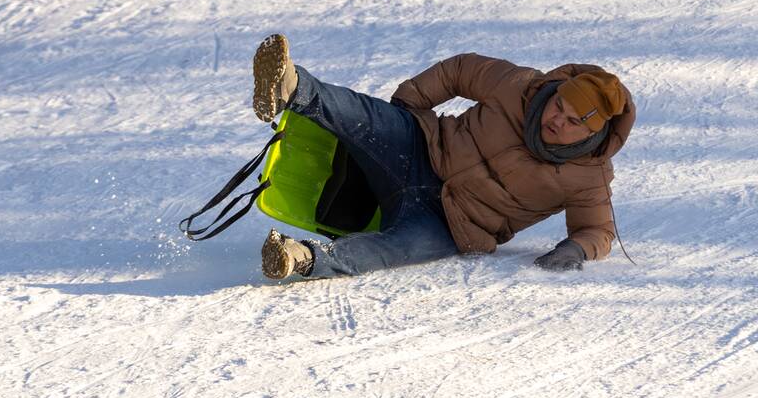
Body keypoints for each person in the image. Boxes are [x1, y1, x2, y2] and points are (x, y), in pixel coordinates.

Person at [252, 34, 635, 280]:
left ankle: (302, 257)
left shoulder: (590, 174)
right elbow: (462, 70)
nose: (555, 120)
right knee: (367, 116)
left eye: (571, 122)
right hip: (424, 148)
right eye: (558, 106)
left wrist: (575, 249)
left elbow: (598, 231)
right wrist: (408, 103)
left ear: (592, 132)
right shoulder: (521, 86)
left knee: (396, 249)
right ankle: (290, 85)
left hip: (451, 223)